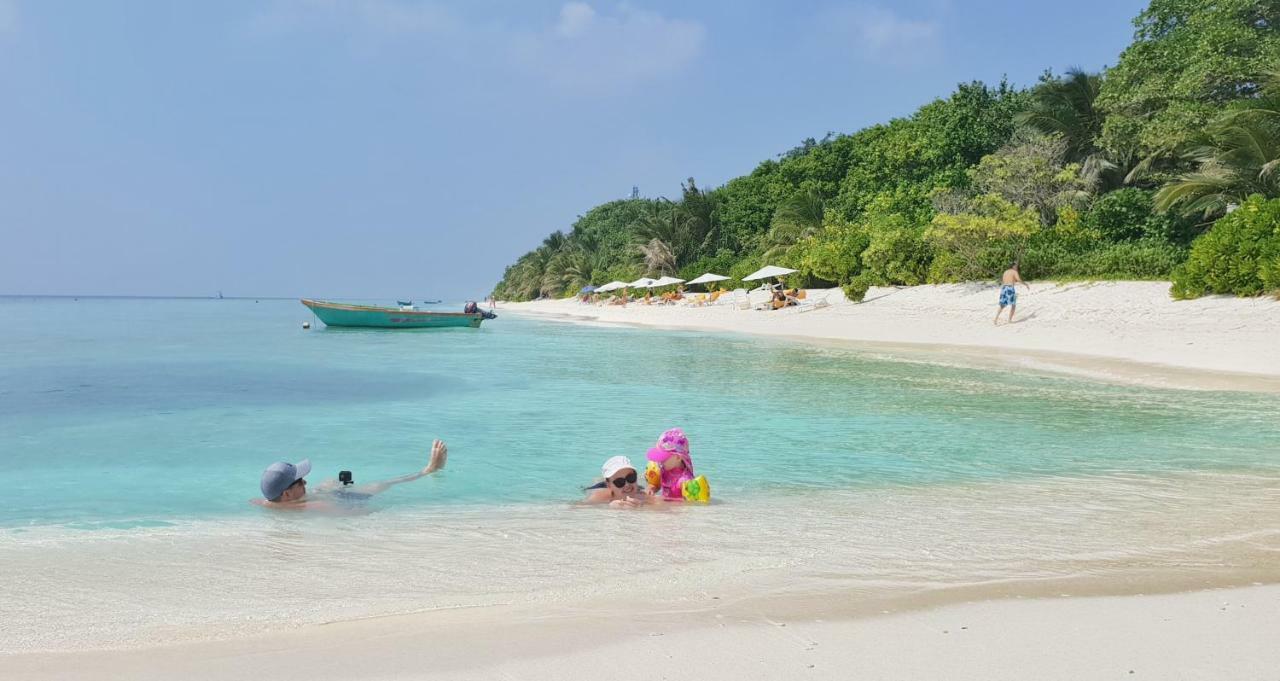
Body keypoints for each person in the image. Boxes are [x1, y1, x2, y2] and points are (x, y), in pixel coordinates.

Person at [253, 439, 449, 509]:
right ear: (286, 494)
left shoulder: (265, 502)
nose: (305, 481)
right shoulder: (315, 506)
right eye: (300, 482)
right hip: (346, 501)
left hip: (322, 497)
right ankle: (429, 470)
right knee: (383, 484)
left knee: (331, 482)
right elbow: (361, 513)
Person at [646, 428, 695, 501]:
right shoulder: (664, 470)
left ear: (678, 457)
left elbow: (688, 506)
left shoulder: (685, 481)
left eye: (664, 457)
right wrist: (652, 488)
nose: (660, 460)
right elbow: (656, 485)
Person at [583, 455, 651, 508]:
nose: (627, 484)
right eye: (619, 482)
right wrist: (609, 507)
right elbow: (580, 508)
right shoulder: (600, 496)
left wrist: (642, 507)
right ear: (609, 485)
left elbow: (660, 507)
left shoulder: (643, 495)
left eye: (631, 478)